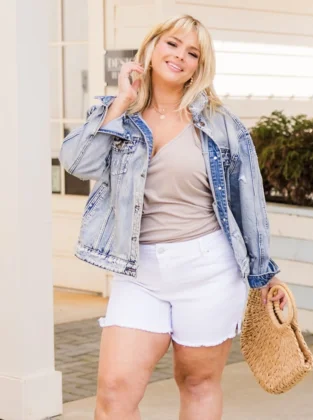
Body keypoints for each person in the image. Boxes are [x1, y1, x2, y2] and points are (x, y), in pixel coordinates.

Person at [59, 14, 287, 420]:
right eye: (172, 43)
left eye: (192, 53)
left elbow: (249, 203)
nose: (180, 56)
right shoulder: (119, 114)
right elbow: (77, 162)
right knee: (114, 394)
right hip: (139, 271)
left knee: (197, 383)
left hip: (208, 272)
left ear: (200, 67)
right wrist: (121, 100)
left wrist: (264, 274)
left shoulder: (221, 124)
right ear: (151, 47)